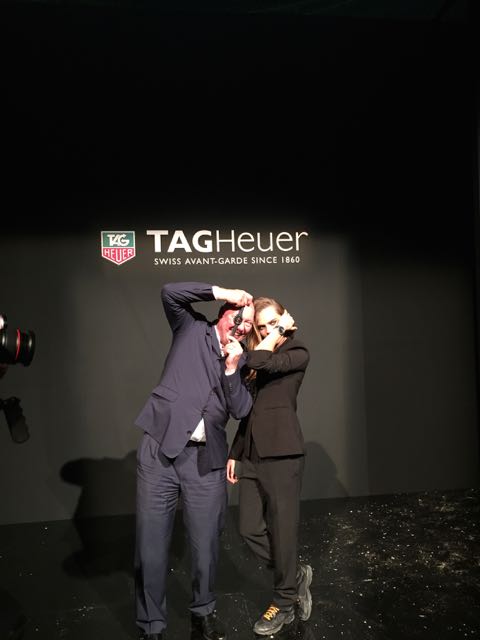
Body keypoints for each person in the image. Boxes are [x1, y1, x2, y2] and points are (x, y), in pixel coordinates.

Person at [134, 282, 255, 640]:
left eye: (249, 324)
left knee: (206, 546)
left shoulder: (245, 360)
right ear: (223, 314)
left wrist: (231, 369)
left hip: (205, 460)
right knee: (150, 545)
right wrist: (224, 292)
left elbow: (241, 410)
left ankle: (203, 610)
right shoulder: (191, 329)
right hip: (160, 450)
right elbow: (169, 293)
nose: (242, 326)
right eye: (238, 317)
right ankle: (151, 624)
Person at [226, 296, 312, 636]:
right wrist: (235, 452)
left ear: (285, 320)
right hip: (251, 454)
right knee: (249, 529)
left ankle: (285, 601)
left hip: (282, 454)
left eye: (272, 323)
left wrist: (277, 333)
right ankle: (295, 575)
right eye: (261, 327)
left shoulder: (296, 350)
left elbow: (261, 359)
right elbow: (247, 413)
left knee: (283, 530)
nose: (265, 331)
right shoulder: (256, 356)